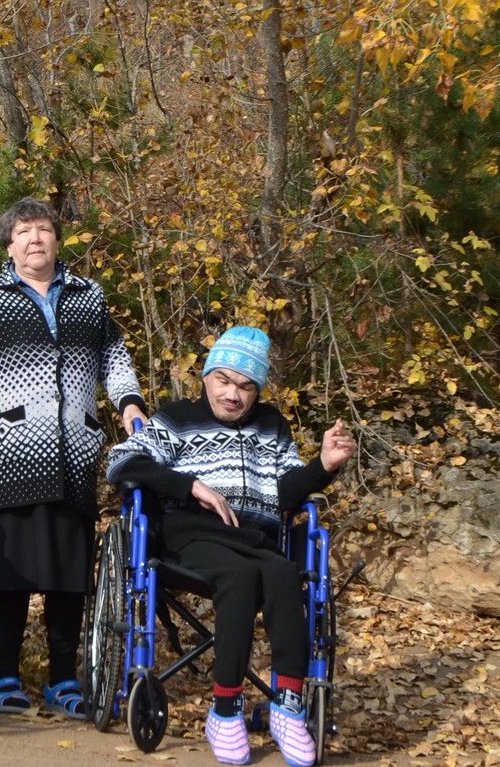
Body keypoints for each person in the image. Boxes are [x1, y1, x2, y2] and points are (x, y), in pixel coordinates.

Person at [105, 327, 355, 767]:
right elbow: (122, 461)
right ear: (206, 378)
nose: (233, 394)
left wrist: (323, 465)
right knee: (239, 579)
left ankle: (288, 708)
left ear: (257, 392)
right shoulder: (178, 417)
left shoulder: (272, 426)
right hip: (188, 535)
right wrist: (190, 486)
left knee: (281, 574)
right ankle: (224, 711)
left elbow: (285, 495)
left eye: (245, 386)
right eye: (223, 380)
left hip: (252, 539)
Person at [0, 196, 146, 717]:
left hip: (72, 455)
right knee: (10, 573)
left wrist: (130, 404)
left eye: (44, 230)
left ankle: (63, 678)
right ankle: (5, 674)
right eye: (24, 231)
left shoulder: (87, 295)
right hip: (5, 455)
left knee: (66, 573)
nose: (36, 239)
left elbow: (114, 356)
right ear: (9, 246)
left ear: (57, 239)